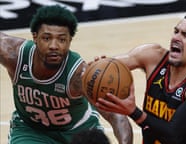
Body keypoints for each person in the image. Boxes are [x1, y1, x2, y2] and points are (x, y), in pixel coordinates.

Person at [0, 5, 133, 144]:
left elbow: (117, 116)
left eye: (61, 39)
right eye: (46, 38)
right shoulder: (13, 55)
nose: (54, 46)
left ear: (70, 40)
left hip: (78, 130)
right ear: (35, 37)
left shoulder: (79, 75)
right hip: (31, 130)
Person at [95, 11, 186, 144]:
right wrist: (100, 67)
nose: (176, 38)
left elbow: (172, 135)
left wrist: (134, 112)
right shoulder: (153, 56)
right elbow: (110, 66)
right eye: (176, 31)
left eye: (185, 35)